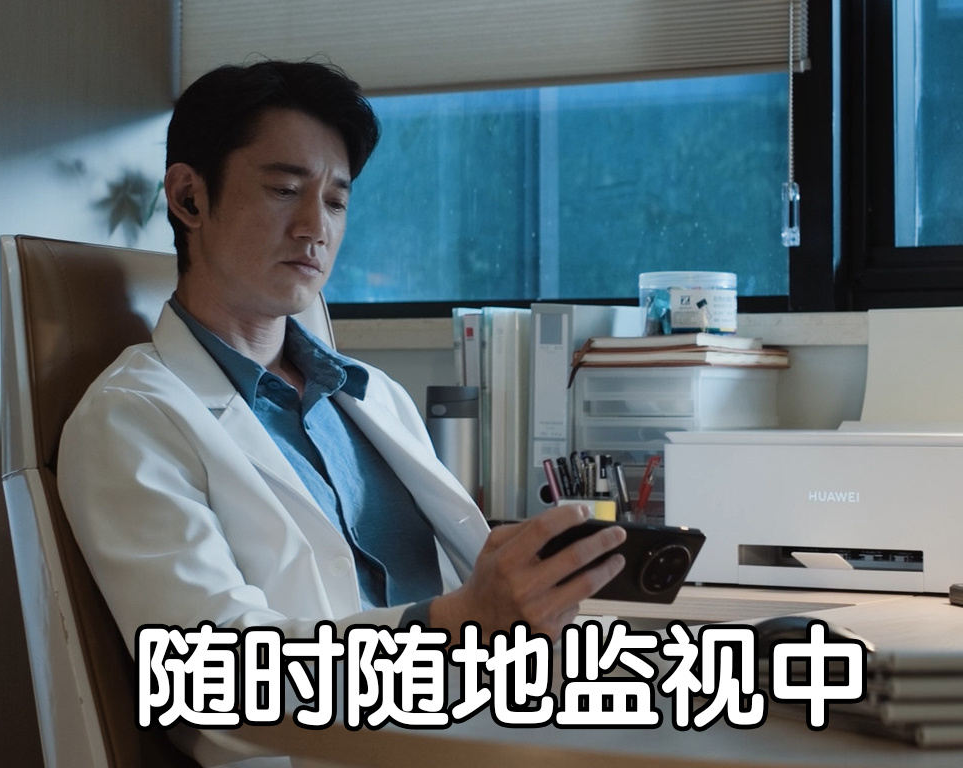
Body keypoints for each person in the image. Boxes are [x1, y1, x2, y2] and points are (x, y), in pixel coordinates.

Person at [57, 59, 626, 767]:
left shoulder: (372, 397)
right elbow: (211, 677)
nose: (314, 228)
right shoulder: (128, 421)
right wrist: (458, 623)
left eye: (335, 201)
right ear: (189, 197)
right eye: (284, 189)